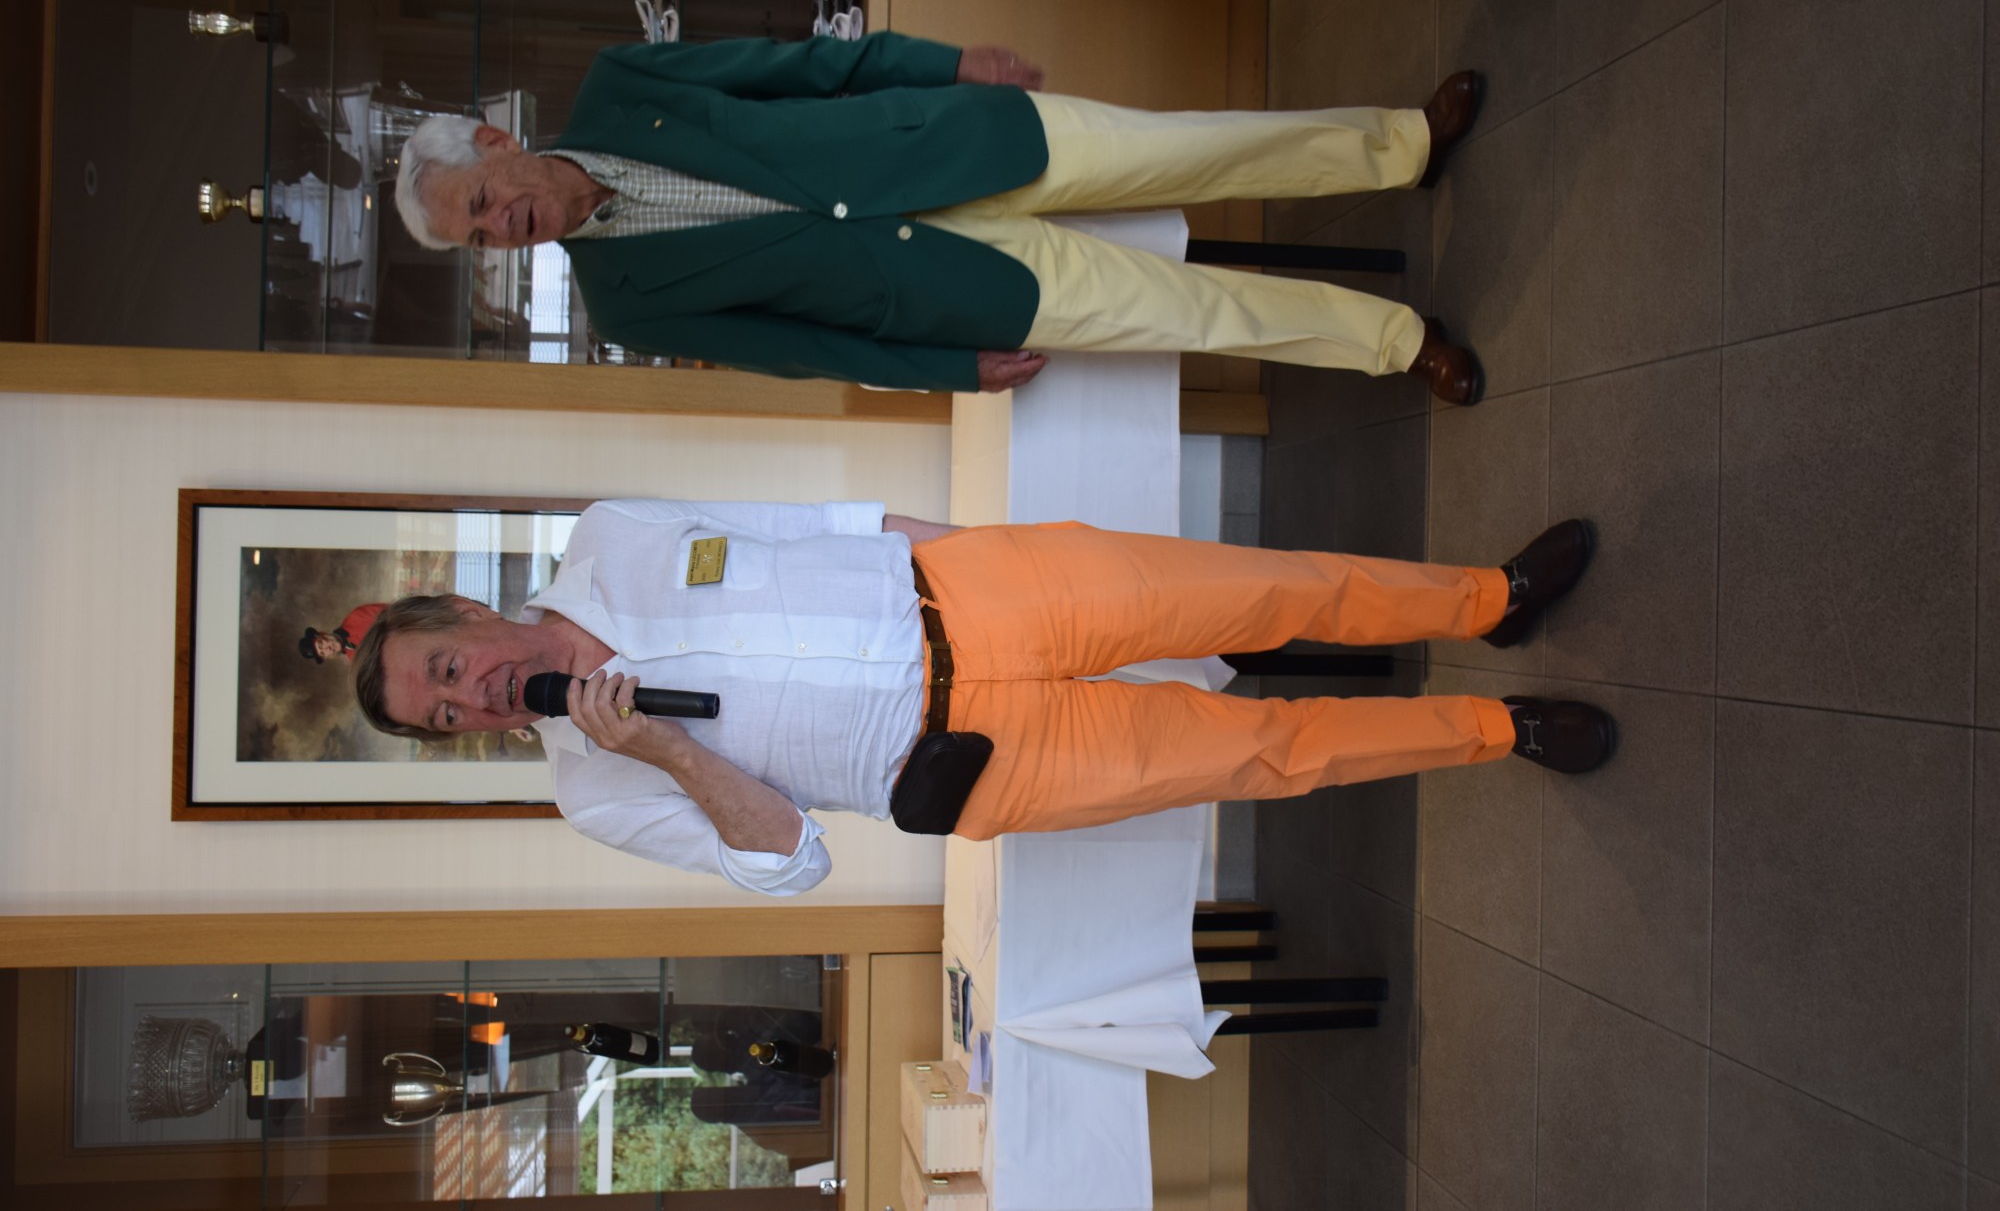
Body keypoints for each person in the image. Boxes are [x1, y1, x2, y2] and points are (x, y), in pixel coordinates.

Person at [351, 500, 1612, 895]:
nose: (473, 699)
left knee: (1264, 589)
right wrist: (666, 753)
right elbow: (790, 864)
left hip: (983, 595)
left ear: (458, 611)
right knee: (1262, 753)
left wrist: (979, 547)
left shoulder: (608, 535)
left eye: (446, 671)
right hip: (975, 757)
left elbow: (815, 520)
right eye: (445, 718)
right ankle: (1498, 729)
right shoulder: (593, 791)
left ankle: (1487, 598)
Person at [392, 33, 1486, 401]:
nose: (503, 228)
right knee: (1191, 314)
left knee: (1195, 148)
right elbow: (799, 350)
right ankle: (1400, 344)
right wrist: (950, 371)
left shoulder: (621, 83)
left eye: (484, 203)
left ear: (494, 142)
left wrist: (946, 62)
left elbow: (799, 67)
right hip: (938, 290)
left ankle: (1402, 144)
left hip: (946, 140)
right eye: (480, 239)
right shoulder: (623, 306)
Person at [298, 601, 385, 665]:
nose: (327, 649)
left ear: (322, 634)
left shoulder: (357, 617)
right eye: (323, 653)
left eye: (321, 644)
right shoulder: (355, 660)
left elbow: (392, 612)